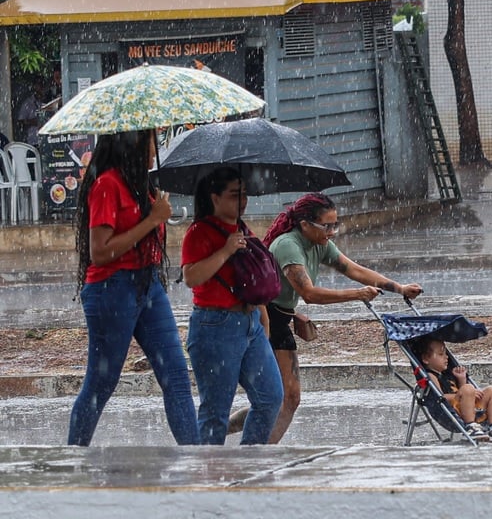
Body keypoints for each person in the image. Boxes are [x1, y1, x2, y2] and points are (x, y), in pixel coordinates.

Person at [228, 192, 423, 443]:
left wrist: (398, 288)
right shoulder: (289, 244)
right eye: (326, 226)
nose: (331, 232)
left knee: (287, 398)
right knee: (279, 398)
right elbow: (309, 293)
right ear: (305, 224)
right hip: (263, 321)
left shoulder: (320, 244)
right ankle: (252, 446)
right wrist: (358, 294)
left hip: (281, 319)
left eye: (335, 225)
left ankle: (255, 444)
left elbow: (353, 269)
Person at [68, 130, 199, 446]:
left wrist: (155, 214)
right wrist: (152, 220)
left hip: (148, 284)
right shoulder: (107, 185)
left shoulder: (142, 185)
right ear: (135, 144)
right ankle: (72, 457)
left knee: (177, 377)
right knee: (101, 383)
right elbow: (99, 251)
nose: (156, 149)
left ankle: (198, 462)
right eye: (152, 141)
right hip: (112, 290)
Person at [180, 167, 284, 445]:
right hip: (215, 327)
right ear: (215, 198)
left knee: (271, 398)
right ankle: (210, 477)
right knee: (215, 414)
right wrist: (225, 251)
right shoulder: (199, 232)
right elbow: (191, 277)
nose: (243, 201)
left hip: (250, 324)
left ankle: (250, 462)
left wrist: (262, 318)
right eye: (235, 195)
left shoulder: (242, 228)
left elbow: (251, 283)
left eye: (245, 194)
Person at [411, 335, 492, 444]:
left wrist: (462, 379)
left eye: (446, 353)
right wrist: (466, 392)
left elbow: (463, 391)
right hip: (455, 413)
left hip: (471, 409)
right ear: (426, 358)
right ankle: (470, 426)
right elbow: (440, 397)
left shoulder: (448, 374)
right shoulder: (431, 376)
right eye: (441, 354)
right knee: (468, 388)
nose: (446, 357)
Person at [16, 78, 47, 147]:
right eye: (38, 85)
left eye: (42, 85)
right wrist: (33, 122)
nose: (41, 88)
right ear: (34, 87)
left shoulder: (48, 101)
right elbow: (20, 122)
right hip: (33, 142)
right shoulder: (28, 103)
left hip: (47, 140)